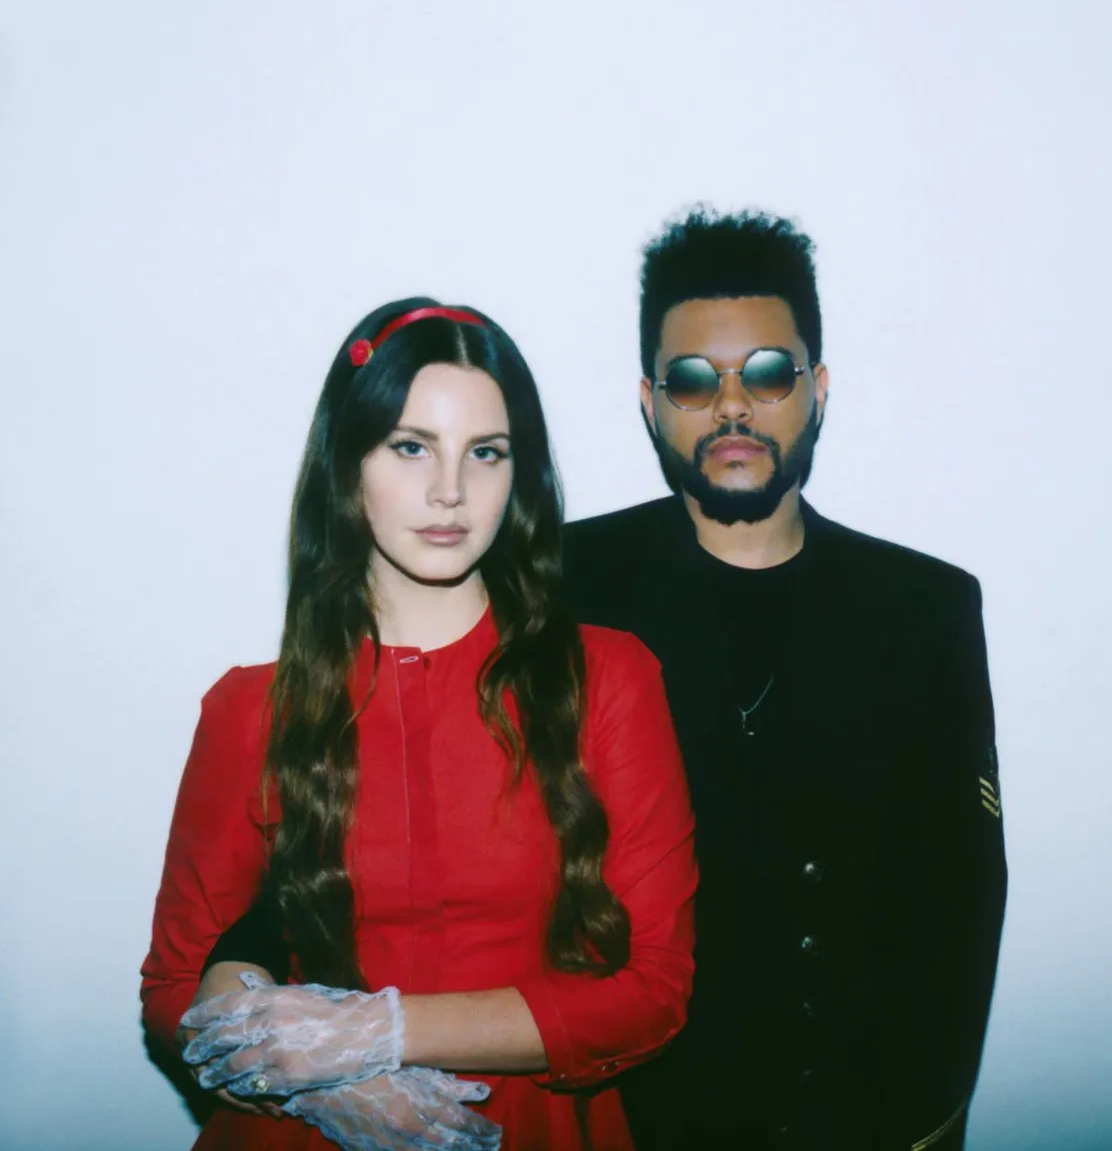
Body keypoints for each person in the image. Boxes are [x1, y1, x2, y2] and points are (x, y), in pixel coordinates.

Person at [206, 208, 1009, 1149]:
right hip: (633, 1114)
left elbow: (960, 902)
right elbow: (343, 825)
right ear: (650, 401)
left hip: (854, 1117)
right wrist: (279, 1021)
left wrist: (925, 1124)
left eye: (768, 373)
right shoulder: (557, 585)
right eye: (693, 380)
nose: (733, 408)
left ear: (817, 389)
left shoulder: (922, 606)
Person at [140, 299, 698, 1151]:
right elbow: (174, 986)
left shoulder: (608, 679)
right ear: (347, 463)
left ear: (519, 474)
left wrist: (375, 1034)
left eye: (486, 452)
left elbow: (654, 991)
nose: (450, 491)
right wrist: (324, 1089)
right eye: (411, 447)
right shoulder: (251, 709)